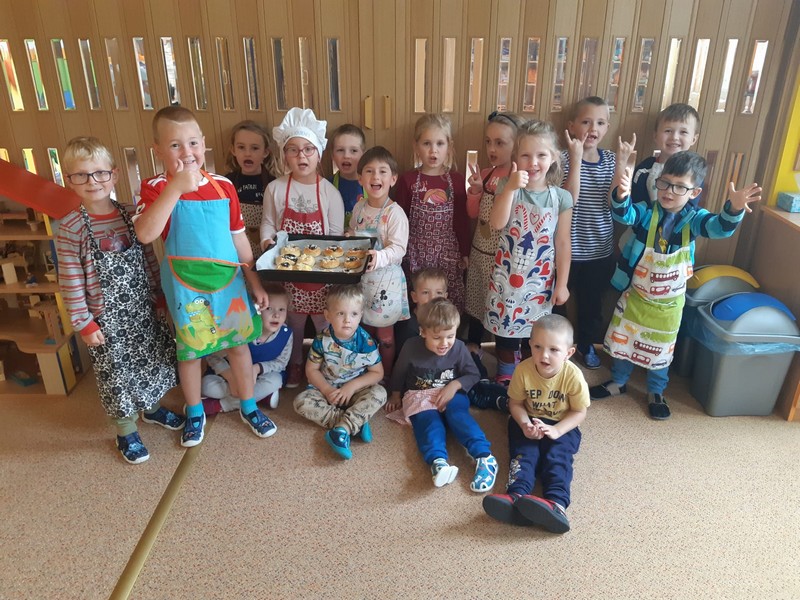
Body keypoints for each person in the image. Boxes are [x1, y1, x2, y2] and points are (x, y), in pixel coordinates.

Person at [135, 106, 274, 447]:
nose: (187, 153)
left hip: (229, 284)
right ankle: (195, 412)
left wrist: (254, 281)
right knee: (191, 353)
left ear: (204, 143)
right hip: (186, 287)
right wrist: (175, 188)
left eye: (193, 143)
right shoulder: (154, 187)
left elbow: (239, 239)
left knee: (239, 346)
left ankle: (248, 405)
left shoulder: (223, 186)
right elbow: (145, 233)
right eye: (175, 145)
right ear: (157, 150)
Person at [592, 151, 762, 419]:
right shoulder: (647, 212)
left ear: (694, 192)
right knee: (624, 340)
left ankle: (656, 391)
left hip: (669, 304)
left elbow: (719, 228)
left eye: (679, 187)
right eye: (665, 183)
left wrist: (734, 209)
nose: (669, 191)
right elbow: (625, 215)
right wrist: (621, 195)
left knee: (662, 349)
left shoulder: (694, 219)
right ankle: (619, 381)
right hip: (636, 294)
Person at [56, 136, 179, 464]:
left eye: (100, 173)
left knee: (151, 362)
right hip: (104, 321)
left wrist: (159, 296)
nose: (92, 181)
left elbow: (149, 258)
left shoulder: (130, 214)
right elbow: (70, 281)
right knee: (116, 376)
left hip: (141, 310)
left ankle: (151, 408)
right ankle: (126, 431)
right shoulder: (70, 227)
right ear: (69, 180)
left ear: (114, 175)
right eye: (81, 175)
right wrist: (84, 323)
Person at [260, 107, 345, 388]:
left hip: (321, 274)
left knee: (323, 323)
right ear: (284, 155)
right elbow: (268, 223)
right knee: (294, 322)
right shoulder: (275, 188)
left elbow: (336, 236)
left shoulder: (329, 192)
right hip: (288, 272)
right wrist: (267, 241)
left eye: (308, 149)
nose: (301, 156)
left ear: (319, 153)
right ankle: (295, 363)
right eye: (293, 150)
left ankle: (322, 367)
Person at [485, 120, 573, 385]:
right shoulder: (506, 186)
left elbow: (563, 242)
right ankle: (506, 370)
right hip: (508, 276)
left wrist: (563, 284)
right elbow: (496, 223)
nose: (533, 163)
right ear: (516, 158)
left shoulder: (561, 198)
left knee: (538, 330)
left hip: (540, 281)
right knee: (506, 326)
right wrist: (511, 188)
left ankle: (531, 372)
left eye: (541, 155)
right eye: (526, 155)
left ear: (553, 158)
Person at [482, 314, 589, 534]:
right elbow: (515, 404)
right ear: (530, 344)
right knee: (524, 454)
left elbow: (579, 412)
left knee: (557, 457)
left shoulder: (573, 376)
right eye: (538, 347)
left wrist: (557, 430)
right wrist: (524, 424)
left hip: (562, 423)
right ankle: (516, 496)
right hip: (529, 420)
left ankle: (556, 504)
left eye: (554, 349)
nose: (544, 355)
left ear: (569, 353)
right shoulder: (523, 370)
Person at [387, 298, 497, 491]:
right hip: (419, 395)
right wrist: (395, 394)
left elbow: (473, 374)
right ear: (423, 332)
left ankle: (485, 457)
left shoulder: (459, 348)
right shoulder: (411, 346)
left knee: (458, 416)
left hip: (451, 392)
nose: (444, 343)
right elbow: (399, 372)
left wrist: (454, 385)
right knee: (428, 423)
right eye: (437, 338)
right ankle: (438, 462)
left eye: (450, 336)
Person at [613, 103, 701, 293]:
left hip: (674, 245)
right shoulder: (645, 168)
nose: (674, 137)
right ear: (655, 135)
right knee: (630, 286)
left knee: (668, 290)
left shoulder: (694, 173)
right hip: (640, 240)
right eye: (668, 130)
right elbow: (633, 206)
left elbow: (690, 211)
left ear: (694, 138)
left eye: (683, 132)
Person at [557, 97, 617, 369]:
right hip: (565, 250)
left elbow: (614, 202)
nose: (593, 128)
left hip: (599, 249)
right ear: (571, 126)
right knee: (557, 302)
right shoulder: (561, 158)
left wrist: (623, 163)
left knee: (592, 305)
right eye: (586, 121)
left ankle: (586, 344)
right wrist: (577, 159)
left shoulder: (611, 160)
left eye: (600, 123)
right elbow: (568, 199)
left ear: (607, 128)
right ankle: (556, 345)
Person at [294, 284, 386, 460]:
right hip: (327, 388)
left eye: (354, 314)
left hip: (355, 390)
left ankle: (342, 429)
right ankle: (354, 423)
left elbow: (377, 373)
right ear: (327, 315)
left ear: (361, 315)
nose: (347, 320)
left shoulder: (366, 342)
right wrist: (327, 389)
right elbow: (311, 370)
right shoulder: (321, 339)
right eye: (340, 314)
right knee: (301, 402)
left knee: (380, 393)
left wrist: (351, 387)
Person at [464, 112, 527, 358]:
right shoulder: (486, 174)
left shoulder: (517, 179)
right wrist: (475, 191)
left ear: (517, 145)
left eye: (500, 143)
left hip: (503, 258)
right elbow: (473, 213)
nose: (492, 149)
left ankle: (506, 357)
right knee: (477, 299)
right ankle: (474, 345)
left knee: (502, 304)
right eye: (488, 142)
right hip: (480, 251)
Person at [395, 113, 469, 311]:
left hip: (447, 251)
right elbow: (399, 219)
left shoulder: (456, 180)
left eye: (440, 143)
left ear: (449, 147)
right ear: (416, 146)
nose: (433, 150)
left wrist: (465, 252)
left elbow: (461, 220)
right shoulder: (408, 180)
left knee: (447, 301)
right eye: (426, 143)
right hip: (415, 251)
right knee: (418, 298)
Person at [347, 146, 410, 378]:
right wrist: (349, 237)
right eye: (369, 171)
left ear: (393, 179)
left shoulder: (395, 213)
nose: (376, 176)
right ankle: (368, 371)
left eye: (383, 171)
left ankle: (387, 375)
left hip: (386, 286)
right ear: (360, 178)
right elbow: (354, 232)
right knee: (364, 330)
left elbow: (399, 249)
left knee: (385, 336)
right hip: (362, 282)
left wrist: (380, 256)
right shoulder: (359, 207)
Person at [201, 282, 292, 413]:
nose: (276, 315)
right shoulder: (243, 328)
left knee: (275, 381)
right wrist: (230, 377)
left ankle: (224, 405)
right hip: (230, 375)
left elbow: (281, 363)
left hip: (261, 376)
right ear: (257, 309)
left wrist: (257, 368)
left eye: (281, 310)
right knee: (206, 386)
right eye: (269, 308)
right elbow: (214, 356)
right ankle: (260, 398)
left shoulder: (286, 334)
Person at [224, 120, 281, 260]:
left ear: (265, 152)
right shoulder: (227, 183)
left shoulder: (273, 184)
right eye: (241, 147)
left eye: (254, 148)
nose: (247, 154)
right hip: (237, 251)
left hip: (265, 250)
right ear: (233, 150)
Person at [328, 123, 366, 229]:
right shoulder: (327, 186)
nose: (346, 156)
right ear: (332, 155)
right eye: (340, 150)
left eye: (353, 151)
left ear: (363, 154)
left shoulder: (372, 185)